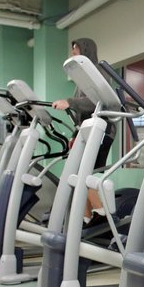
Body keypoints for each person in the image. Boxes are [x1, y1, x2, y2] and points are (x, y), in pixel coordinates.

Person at [51, 38, 115, 225]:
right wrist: (74, 134)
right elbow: (83, 111)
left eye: (75, 48)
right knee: (76, 175)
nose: (73, 52)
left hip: (102, 130)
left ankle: (102, 216)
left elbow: (98, 101)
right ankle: (86, 220)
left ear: (85, 49)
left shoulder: (98, 71)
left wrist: (69, 102)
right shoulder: (81, 78)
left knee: (83, 174)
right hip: (87, 130)